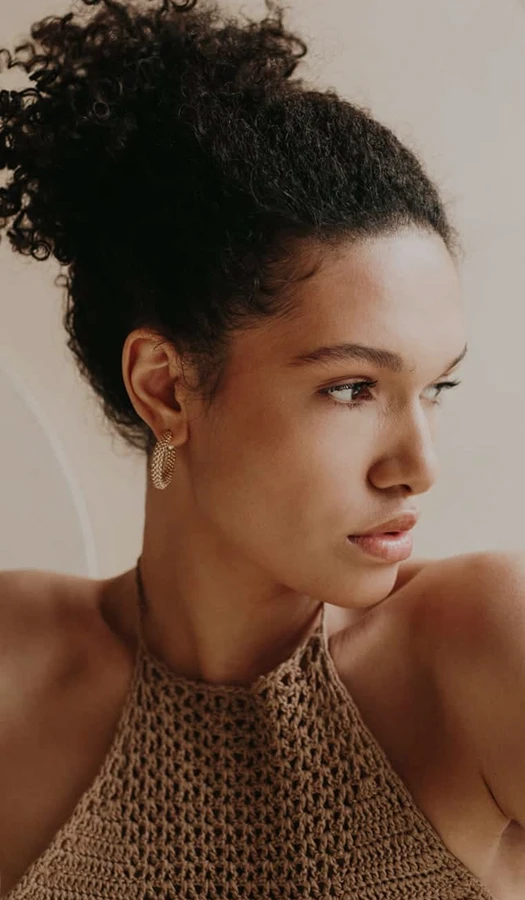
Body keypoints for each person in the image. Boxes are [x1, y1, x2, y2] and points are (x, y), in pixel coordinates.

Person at [0, 0, 524, 896]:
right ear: (165, 385)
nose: (417, 465)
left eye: (435, 387)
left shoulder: (479, 645)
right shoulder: (16, 669)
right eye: (352, 388)